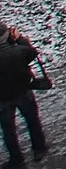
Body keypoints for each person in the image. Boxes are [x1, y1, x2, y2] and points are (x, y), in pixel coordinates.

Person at [0, 24, 50, 165]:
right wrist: (19, 39)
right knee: (32, 121)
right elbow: (32, 53)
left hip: (2, 99)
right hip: (23, 91)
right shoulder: (19, 51)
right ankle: (39, 149)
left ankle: (16, 159)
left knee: (8, 129)